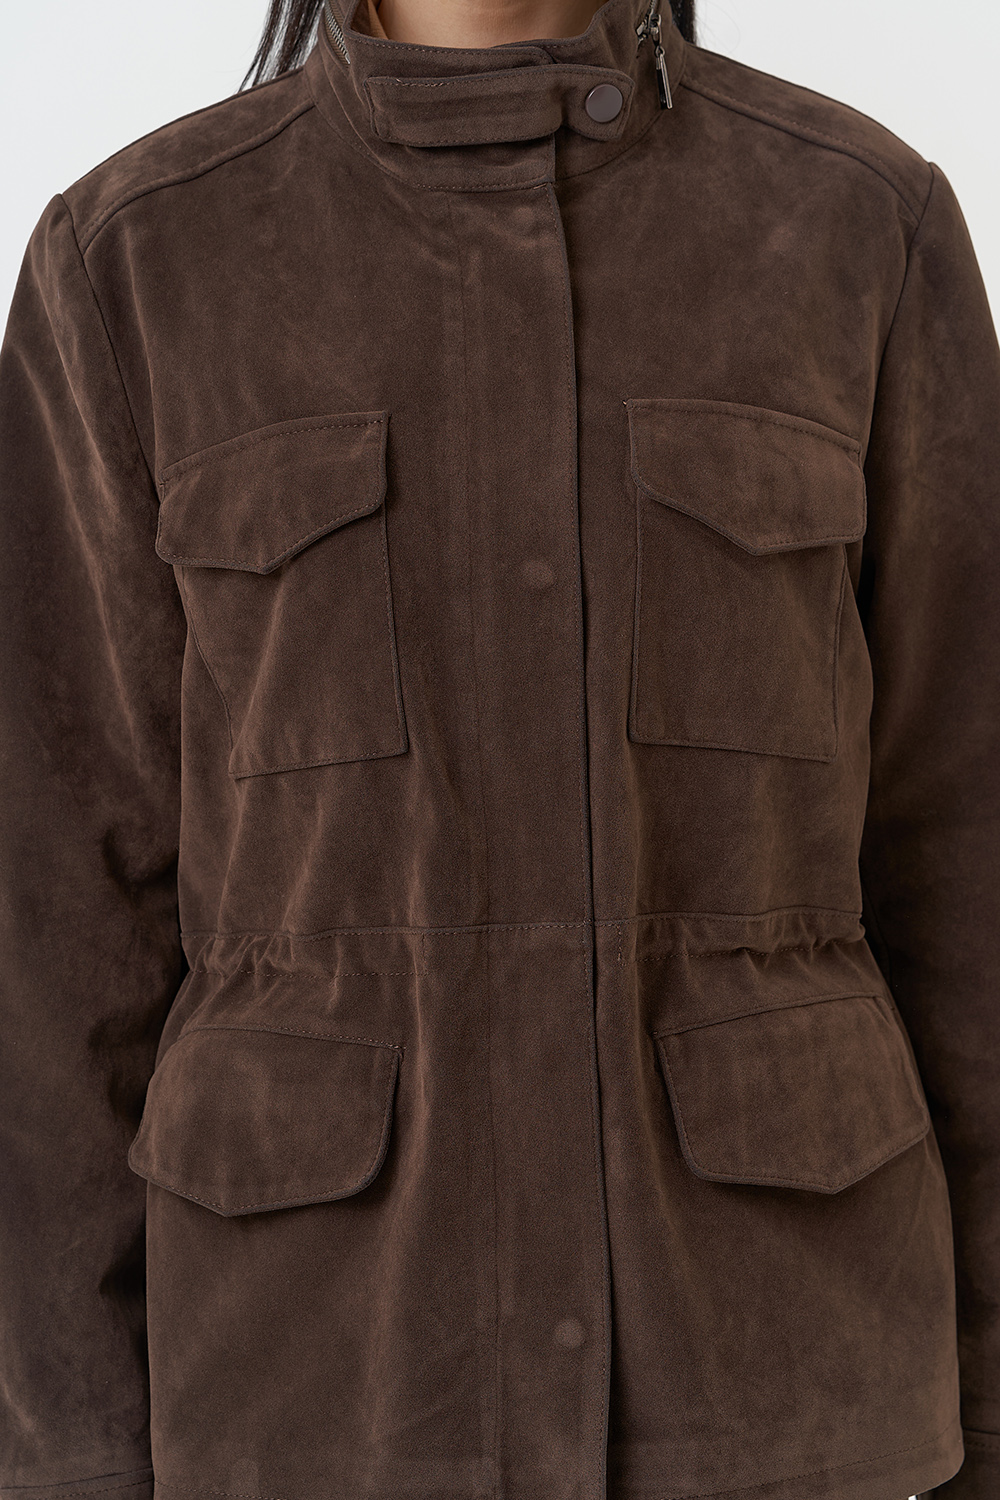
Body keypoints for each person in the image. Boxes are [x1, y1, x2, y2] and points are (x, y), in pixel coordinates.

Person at [0, 1, 997, 1498]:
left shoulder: (861, 225)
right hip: (316, 1394)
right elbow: (54, 935)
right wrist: (68, 1462)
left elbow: (969, 860)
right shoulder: (136, 261)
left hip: (782, 1386)